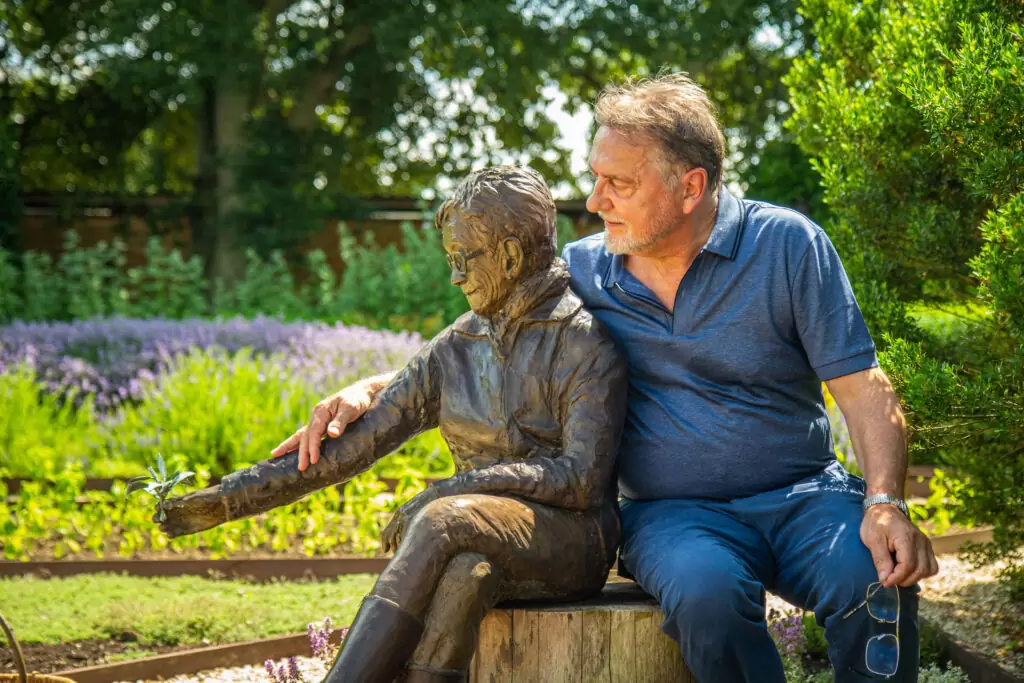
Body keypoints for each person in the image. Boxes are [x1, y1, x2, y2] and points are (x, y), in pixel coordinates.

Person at [273, 74, 939, 682]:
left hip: (804, 496)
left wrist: (885, 500)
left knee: (876, 580)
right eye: (595, 178)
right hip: (673, 516)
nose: (594, 201)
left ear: (691, 187)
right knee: (705, 596)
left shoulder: (790, 247)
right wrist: (369, 389)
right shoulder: (584, 270)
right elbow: (485, 344)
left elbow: (863, 386)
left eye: (618, 184)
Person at [161, 165, 627, 683]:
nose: (454, 276)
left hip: (573, 542)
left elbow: (581, 479)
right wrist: (229, 498)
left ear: (511, 256)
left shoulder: (583, 343)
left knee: (444, 520)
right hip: (477, 539)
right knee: (465, 577)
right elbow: (353, 446)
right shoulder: (454, 349)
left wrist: (456, 490)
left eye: (461, 259)